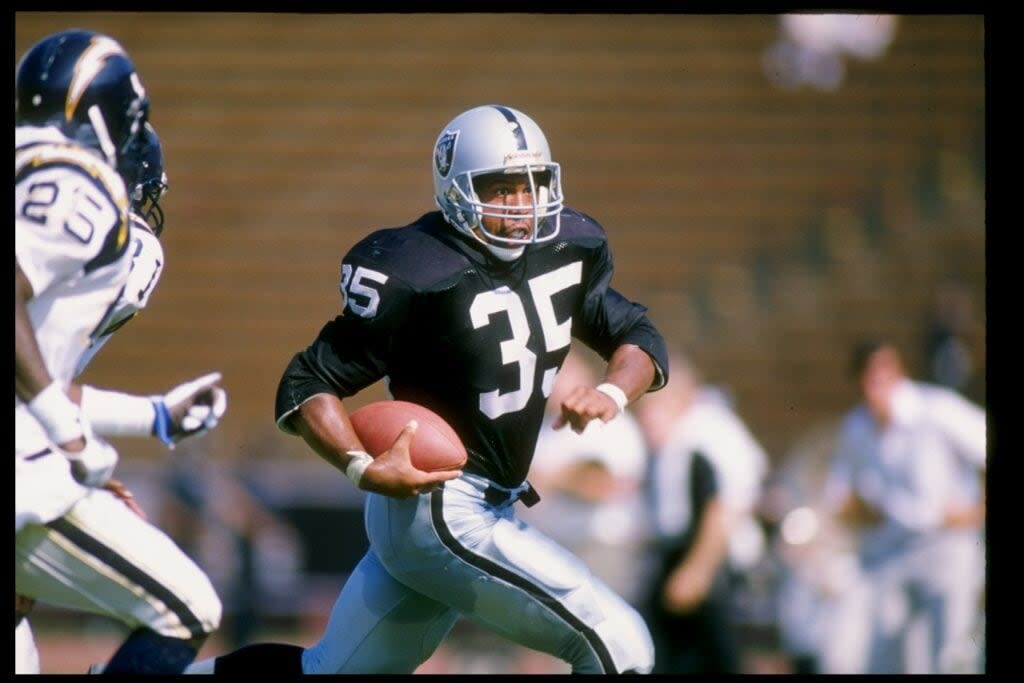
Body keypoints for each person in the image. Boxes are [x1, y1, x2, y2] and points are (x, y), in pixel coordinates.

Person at [185, 103, 668, 675]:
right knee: (619, 643)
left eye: (533, 184)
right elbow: (306, 383)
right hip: (439, 506)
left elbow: (635, 334)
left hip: (490, 505)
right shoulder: (416, 270)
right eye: (502, 186)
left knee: (330, 672)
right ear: (455, 188)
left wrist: (611, 394)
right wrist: (361, 467)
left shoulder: (568, 248)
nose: (520, 204)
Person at [15, 30, 226, 674]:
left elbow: (35, 368)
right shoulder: (79, 180)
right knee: (186, 608)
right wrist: (68, 441)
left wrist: (152, 416)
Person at [823, 339, 986, 673]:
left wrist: (976, 511)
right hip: (891, 552)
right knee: (884, 655)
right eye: (869, 378)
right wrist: (863, 511)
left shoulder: (936, 409)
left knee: (952, 656)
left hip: (945, 546)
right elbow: (842, 495)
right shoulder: (857, 427)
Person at [633, 351, 768, 673]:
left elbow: (724, 504)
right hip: (680, 559)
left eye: (655, 405)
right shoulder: (673, 445)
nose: (646, 418)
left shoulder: (705, 434)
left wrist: (698, 570)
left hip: (716, 567)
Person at [521, 347, 652, 608]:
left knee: (598, 627)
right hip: (552, 546)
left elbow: (601, 485)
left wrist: (552, 479)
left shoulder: (608, 423)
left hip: (599, 547)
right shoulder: (543, 428)